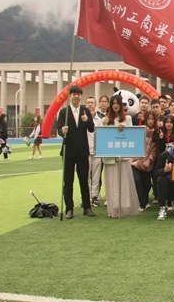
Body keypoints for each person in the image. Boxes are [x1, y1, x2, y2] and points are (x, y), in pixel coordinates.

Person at [55, 85, 96, 219]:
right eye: (74, 94)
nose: (76, 97)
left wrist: (87, 120)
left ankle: (87, 207)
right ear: (70, 96)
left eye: (78, 94)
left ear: (81, 96)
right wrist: (62, 131)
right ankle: (69, 209)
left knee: (84, 180)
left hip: (82, 151)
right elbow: (59, 129)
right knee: (68, 181)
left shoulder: (85, 111)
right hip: (68, 151)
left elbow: (91, 128)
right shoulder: (64, 112)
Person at [102, 94, 140, 218]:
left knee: (124, 182)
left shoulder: (127, 119)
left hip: (123, 157)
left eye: (117, 103)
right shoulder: (106, 119)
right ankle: (113, 207)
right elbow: (103, 137)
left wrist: (124, 128)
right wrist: (105, 124)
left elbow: (132, 135)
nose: (115, 106)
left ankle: (125, 206)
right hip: (110, 157)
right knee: (112, 182)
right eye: (113, 104)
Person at [131, 111, 160, 210]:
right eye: (148, 119)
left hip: (148, 163)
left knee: (147, 184)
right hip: (136, 161)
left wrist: (149, 160)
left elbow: (155, 150)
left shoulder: (157, 133)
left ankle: (145, 201)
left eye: (152, 119)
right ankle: (141, 204)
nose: (150, 121)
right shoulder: (140, 131)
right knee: (137, 181)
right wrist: (138, 160)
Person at [85, 96, 103, 206]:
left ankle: (95, 196)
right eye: (88, 103)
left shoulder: (99, 120)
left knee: (96, 176)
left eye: (92, 103)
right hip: (85, 152)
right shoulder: (83, 119)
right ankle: (86, 197)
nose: (90, 105)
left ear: (95, 105)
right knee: (85, 176)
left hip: (97, 152)